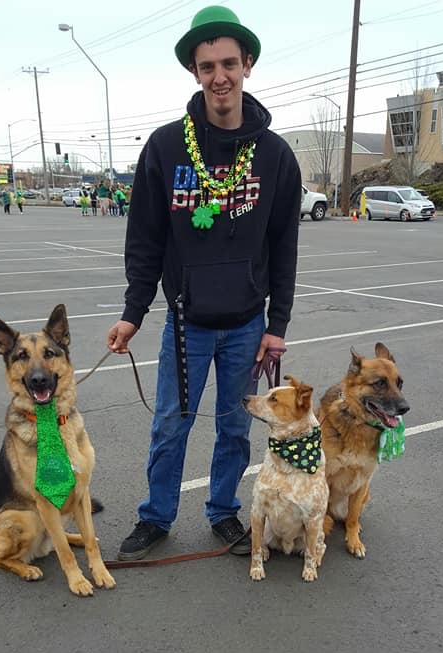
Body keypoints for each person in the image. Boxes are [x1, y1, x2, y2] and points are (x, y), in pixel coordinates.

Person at [107, 5, 301, 561]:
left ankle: (223, 513)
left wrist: (277, 325)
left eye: (229, 64)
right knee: (171, 425)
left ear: (247, 65)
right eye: (208, 66)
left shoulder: (275, 155)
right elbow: (145, 240)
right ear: (194, 72)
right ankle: (155, 517)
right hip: (186, 321)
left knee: (236, 428)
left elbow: (284, 245)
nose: (220, 76)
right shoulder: (166, 147)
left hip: (247, 325)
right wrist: (133, 312)